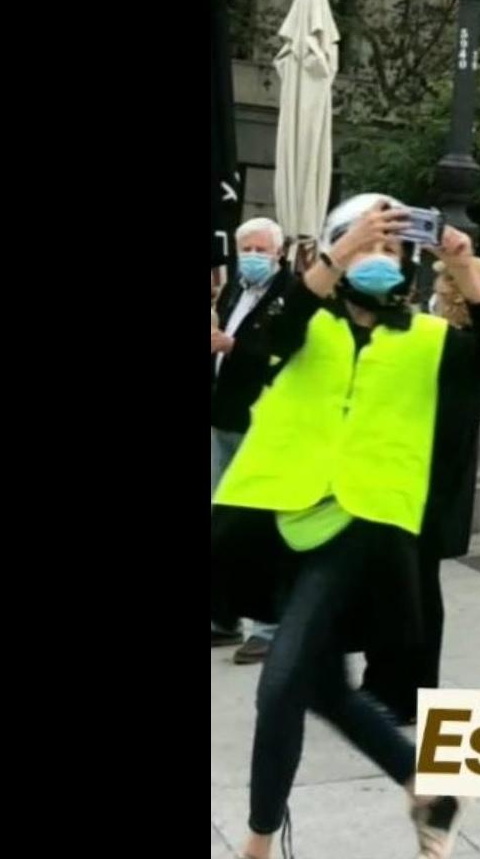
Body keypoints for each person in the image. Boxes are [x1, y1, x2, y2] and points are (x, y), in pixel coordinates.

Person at [210, 194, 480, 859]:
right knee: (322, 687)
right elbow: (244, 367)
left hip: (367, 525)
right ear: (334, 253)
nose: (379, 259)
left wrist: (464, 271)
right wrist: (333, 258)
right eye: (366, 245)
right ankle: (428, 789)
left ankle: (256, 844)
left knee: (282, 681)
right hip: (283, 518)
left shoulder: (428, 339)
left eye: (392, 250)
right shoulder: (300, 322)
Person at [361, 260, 480, 725]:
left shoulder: (462, 342)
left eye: (448, 279)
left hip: (431, 483)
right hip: (398, 475)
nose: (439, 287)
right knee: (390, 585)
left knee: (418, 589)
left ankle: (410, 693)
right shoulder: (427, 333)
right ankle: (381, 680)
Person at [211, 216, 293, 663]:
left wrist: (232, 347)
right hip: (223, 417)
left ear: (278, 253)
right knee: (221, 522)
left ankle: (269, 623)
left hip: (262, 423)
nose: (254, 257)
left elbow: (286, 354)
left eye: (261, 249)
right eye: (247, 248)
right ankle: (224, 614)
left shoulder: (291, 296)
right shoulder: (234, 290)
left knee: (258, 524)